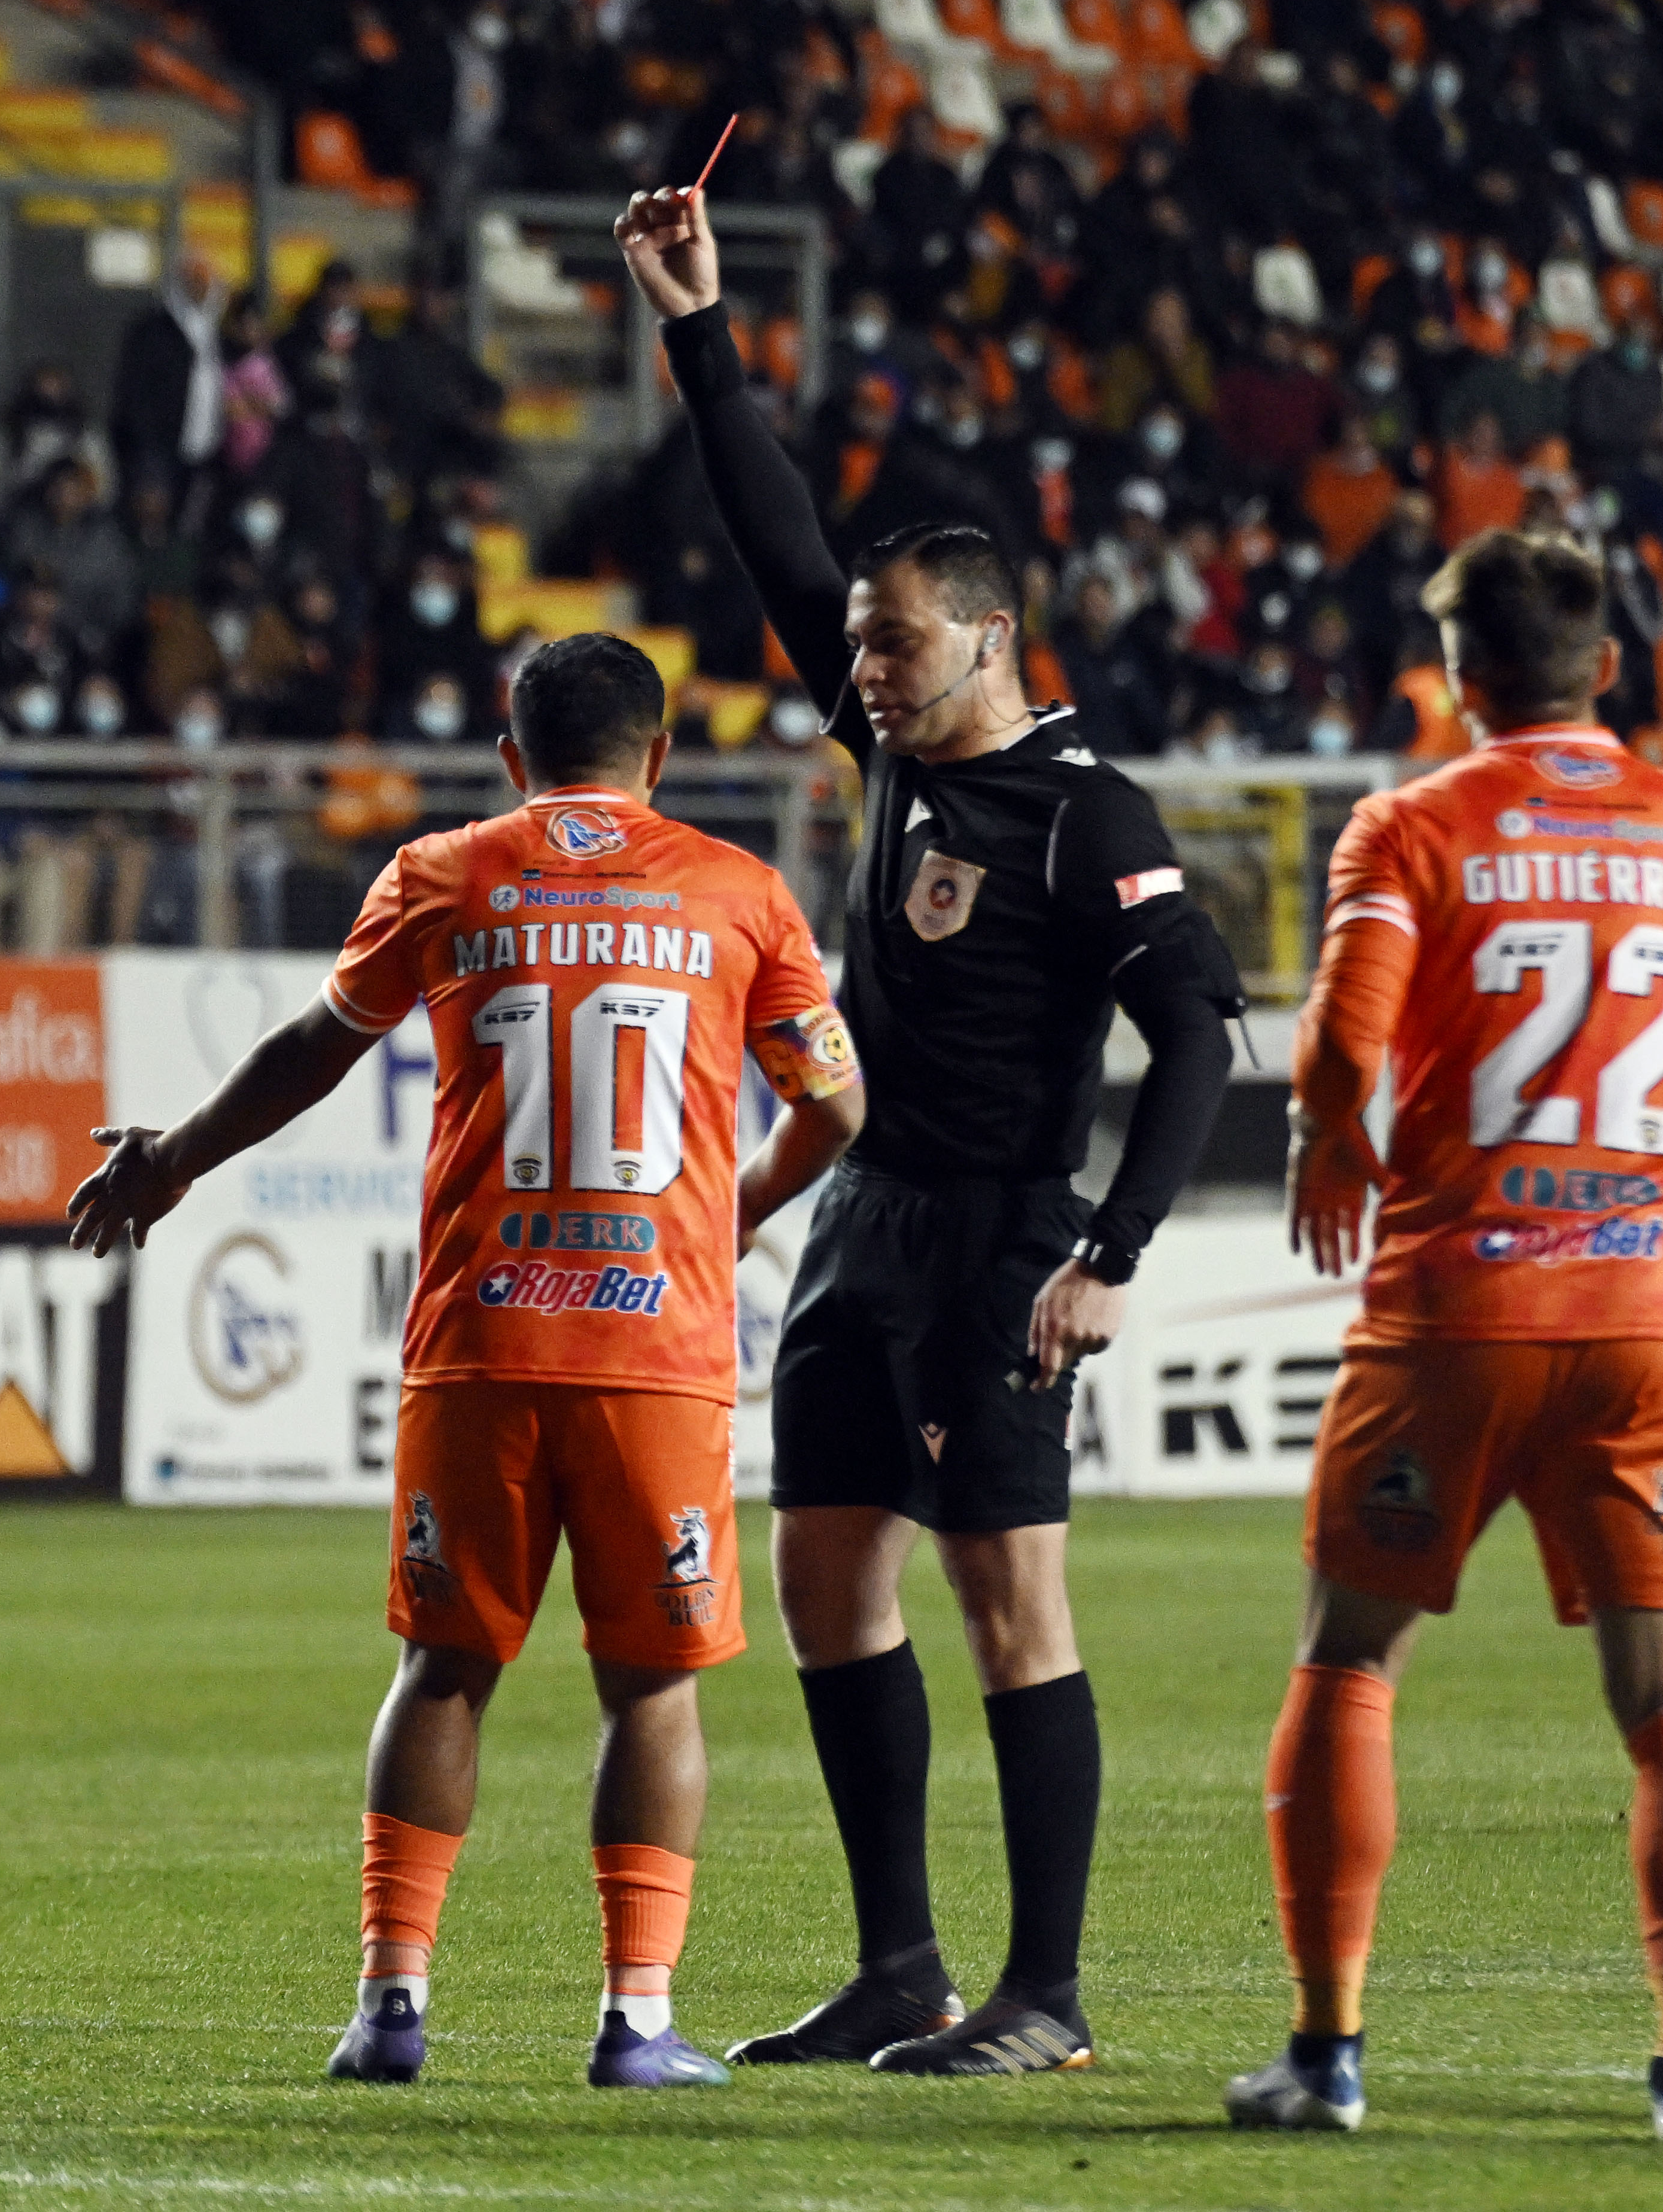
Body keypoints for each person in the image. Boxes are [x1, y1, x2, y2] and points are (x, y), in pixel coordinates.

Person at [615, 182, 1246, 2075]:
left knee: (1005, 1594)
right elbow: (774, 534)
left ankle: (1045, 1992)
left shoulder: (1084, 812)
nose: (864, 672)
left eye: (894, 647)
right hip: (864, 1221)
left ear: (988, 639)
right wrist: (695, 328)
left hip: (998, 1234)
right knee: (822, 1577)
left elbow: (1197, 1033)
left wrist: (1108, 1249)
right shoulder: (896, 747)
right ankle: (900, 1967)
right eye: (861, 649)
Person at [67, 635, 868, 2090]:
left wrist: (172, 1159)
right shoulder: (738, 891)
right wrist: (732, 1207)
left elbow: (312, 1046)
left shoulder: (439, 873)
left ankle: (388, 2004)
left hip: (478, 1341)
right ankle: (633, 2021)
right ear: (658, 755)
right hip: (651, 1347)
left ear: (510, 757)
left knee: (441, 1669)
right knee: (650, 1688)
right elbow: (833, 1100)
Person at [1235, 532, 1663, 2149]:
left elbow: (1338, 1042)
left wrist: (1320, 1139)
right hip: (1650, 1322)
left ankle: (1325, 2053)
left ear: (1455, 676)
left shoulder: (1412, 823)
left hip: (1456, 1310)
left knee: (1349, 1655)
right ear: (1604, 665)